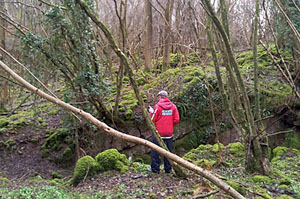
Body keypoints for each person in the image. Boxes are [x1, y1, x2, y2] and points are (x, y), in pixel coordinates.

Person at [148, 90, 180, 173]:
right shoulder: (173, 106)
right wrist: (169, 125)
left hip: (159, 133)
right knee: (168, 151)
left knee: (155, 150)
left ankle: (155, 169)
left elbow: (152, 120)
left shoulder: (157, 107)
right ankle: (168, 169)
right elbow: (176, 119)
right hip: (169, 133)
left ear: (160, 97)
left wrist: (151, 113)